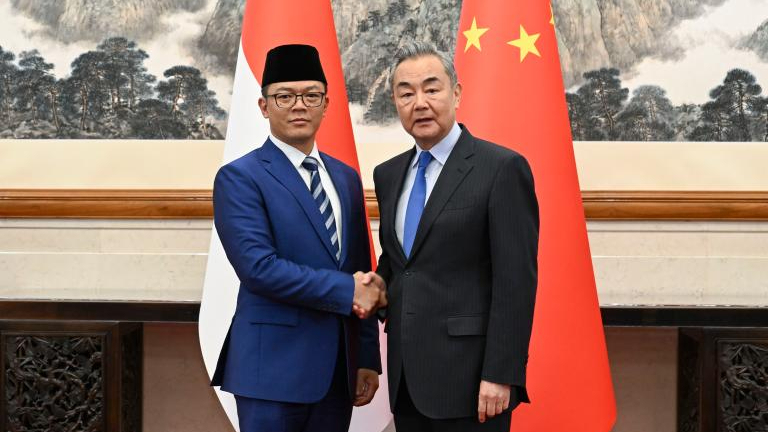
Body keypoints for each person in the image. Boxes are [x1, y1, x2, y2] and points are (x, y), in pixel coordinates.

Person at [210, 44, 385, 432]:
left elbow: (360, 267)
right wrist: (347, 290)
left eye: (311, 95)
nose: (299, 106)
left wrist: (366, 356)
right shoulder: (240, 177)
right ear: (264, 106)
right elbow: (259, 268)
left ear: (326, 104)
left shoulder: (345, 178)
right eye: (285, 96)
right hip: (271, 372)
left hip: (337, 372)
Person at [366, 41, 539, 431]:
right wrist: (370, 288)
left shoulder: (501, 168)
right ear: (395, 102)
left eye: (432, 89)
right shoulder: (388, 175)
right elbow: (401, 264)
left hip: (472, 383)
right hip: (407, 380)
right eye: (406, 93)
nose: (420, 103)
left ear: (456, 93)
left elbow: (516, 281)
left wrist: (501, 373)